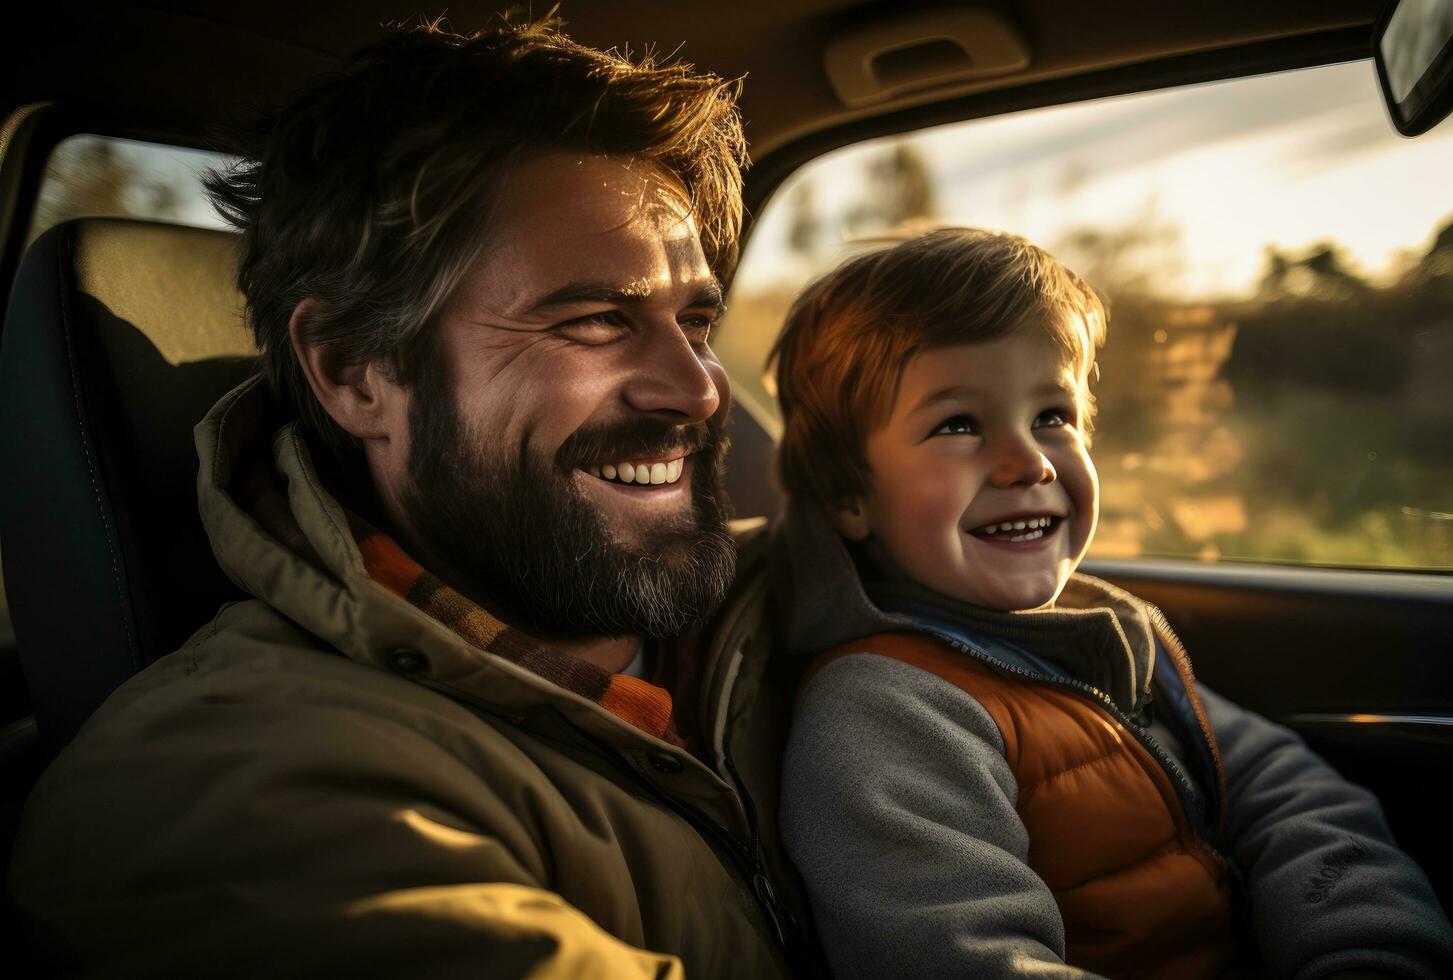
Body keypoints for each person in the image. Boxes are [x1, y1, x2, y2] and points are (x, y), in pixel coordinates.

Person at [6, 19, 817, 978]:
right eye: (597, 320)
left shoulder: (825, 596)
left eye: (694, 320)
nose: (696, 387)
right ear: (357, 374)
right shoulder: (237, 790)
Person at [769, 228, 1453, 979]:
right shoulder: (885, 712)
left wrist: (1360, 950)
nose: (1026, 461)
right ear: (847, 496)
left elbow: (1280, 786)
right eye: (957, 425)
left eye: (1051, 417)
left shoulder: (1097, 633)